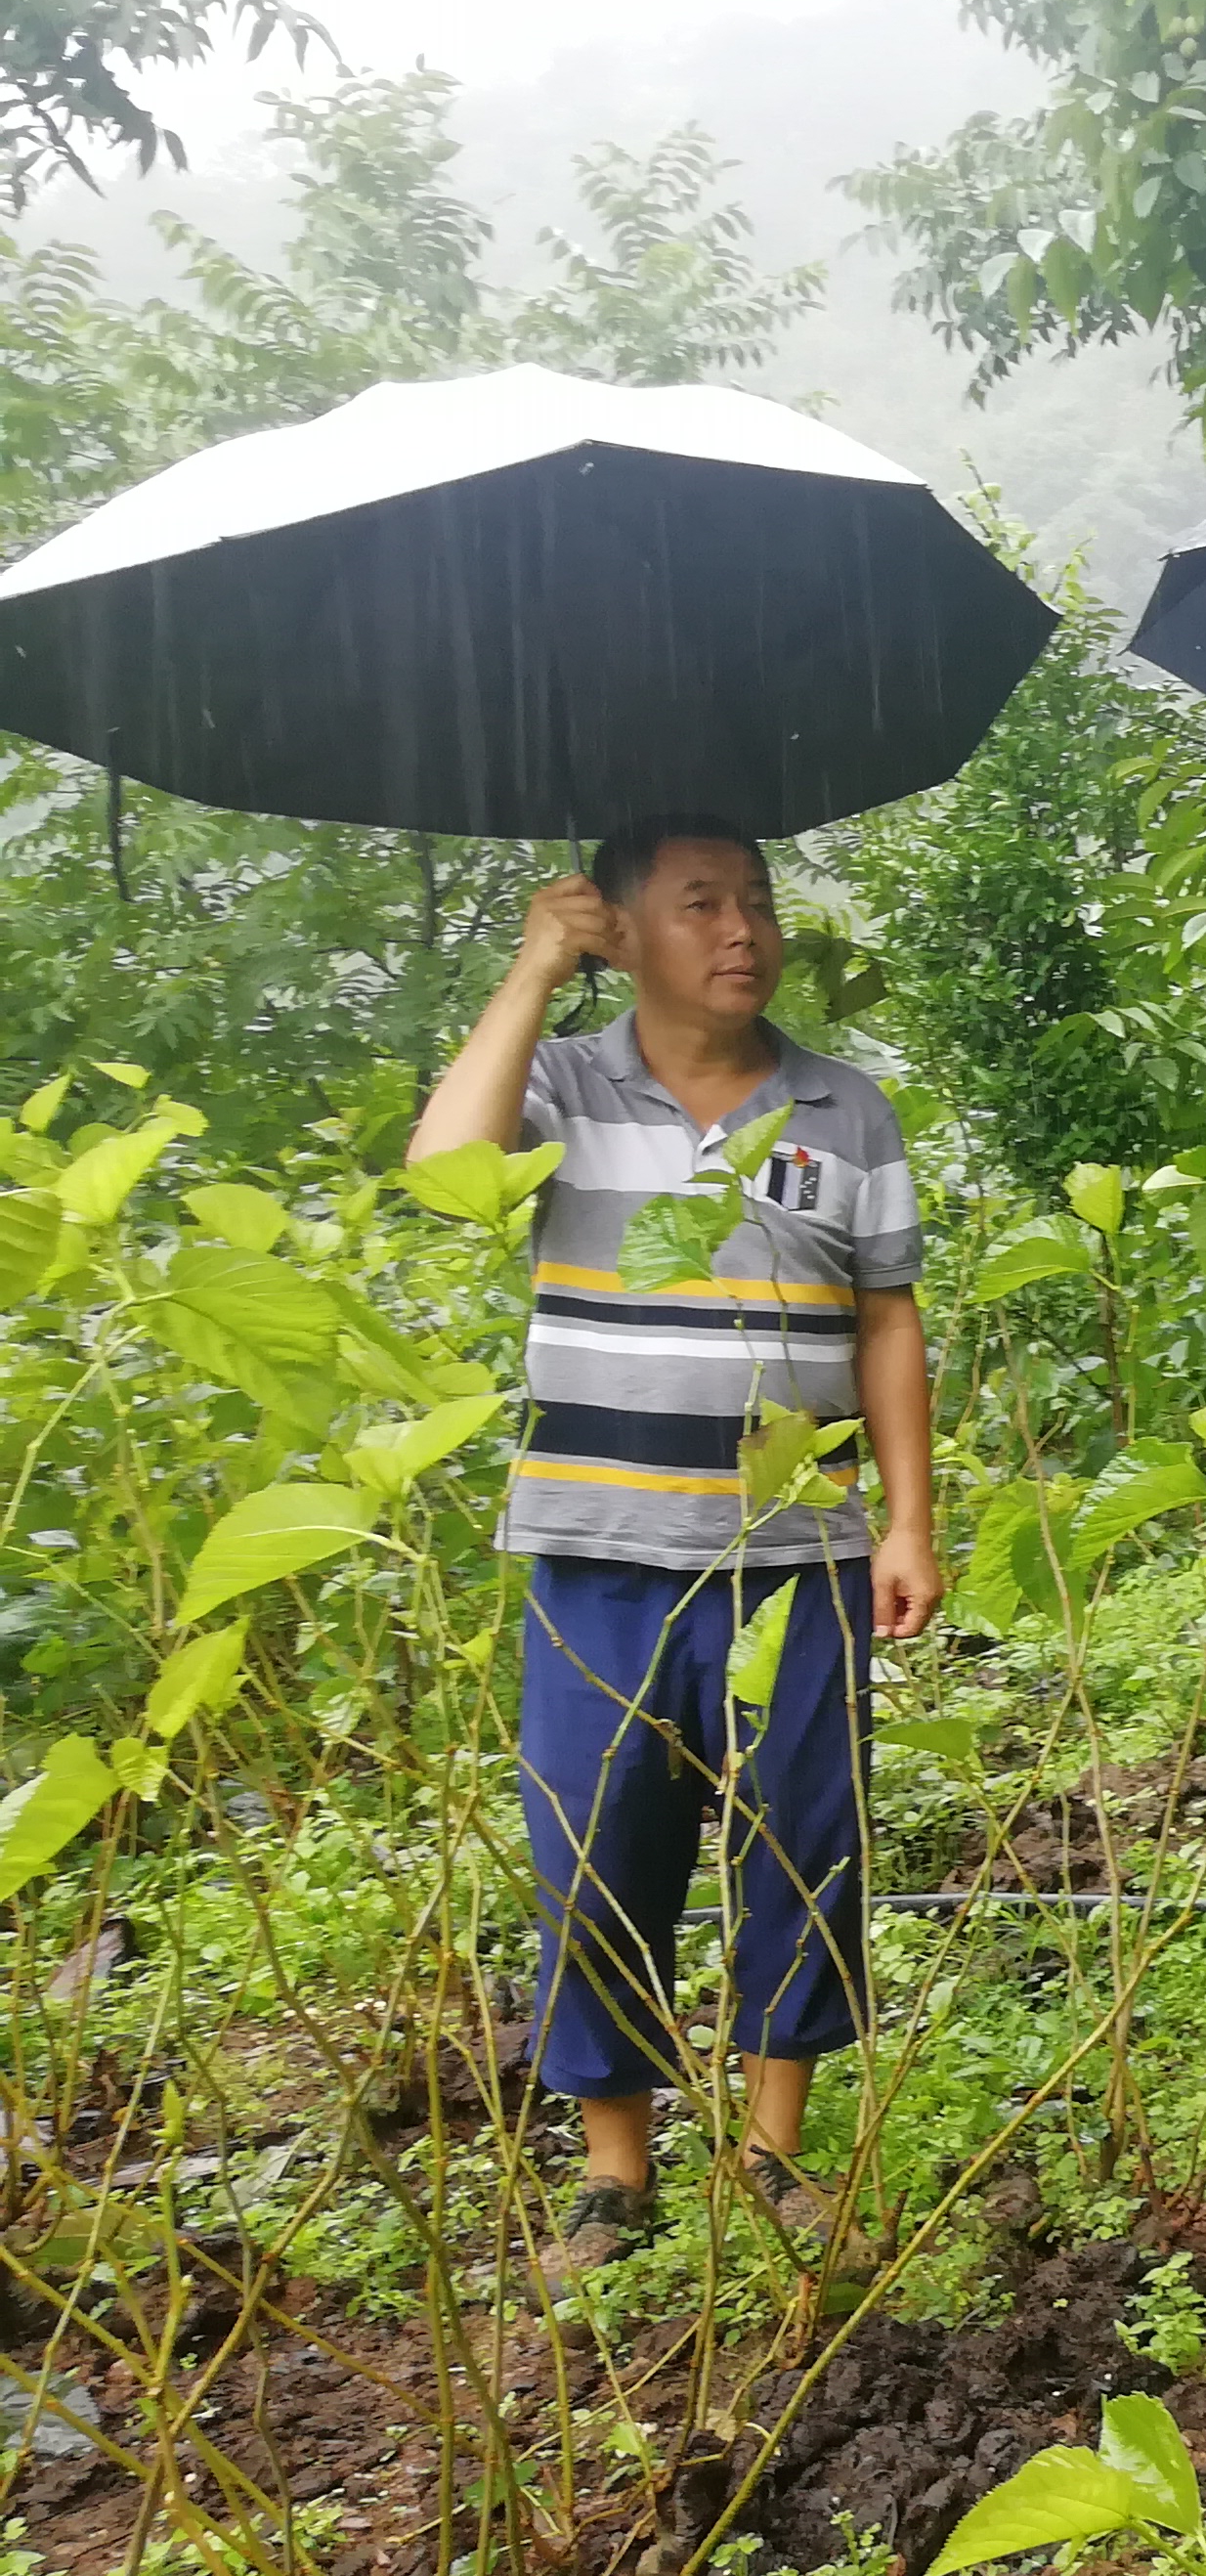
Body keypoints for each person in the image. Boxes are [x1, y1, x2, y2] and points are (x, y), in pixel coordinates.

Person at [411, 816, 939, 2296]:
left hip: (800, 1549)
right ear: (622, 930)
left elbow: (886, 1318)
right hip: (598, 1548)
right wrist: (529, 969)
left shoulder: (847, 1107)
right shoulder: (563, 1085)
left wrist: (908, 1519)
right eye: (698, 904)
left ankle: (772, 2150)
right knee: (595, 1860)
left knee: (802, 1845)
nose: (741, 931)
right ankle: (612, 2171)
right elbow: (447, 1169)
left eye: (756, 902)